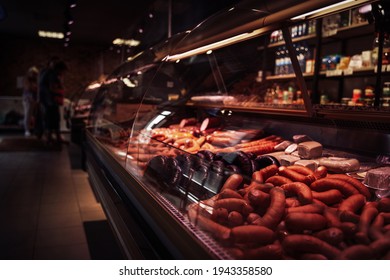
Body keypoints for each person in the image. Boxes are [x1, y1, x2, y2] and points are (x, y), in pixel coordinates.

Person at [39, 59, 68, 145]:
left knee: (51, 119)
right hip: (51, 100)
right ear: (59, 69)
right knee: (53, 119)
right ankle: (51, 138)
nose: (64, 73)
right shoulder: (53, 74)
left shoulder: (46, 72)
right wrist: (61, 88)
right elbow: (52, 88)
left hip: (46, 100)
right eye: (63, 71)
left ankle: (51, 138)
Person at [22, 66, 39, 136]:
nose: (34, 75)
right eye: (33, 73)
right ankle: (27, 130)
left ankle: (35, 129)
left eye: (35, 74)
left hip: (35, 99)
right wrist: (34, 88)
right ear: (30, 73)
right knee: (28, 115)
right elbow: (29, 88)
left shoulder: (35, 80)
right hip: (28, 99)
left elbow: (36, 89)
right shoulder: (26, 80)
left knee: (35, 115)